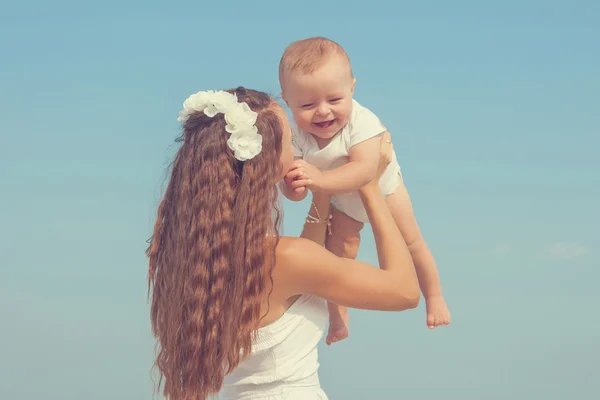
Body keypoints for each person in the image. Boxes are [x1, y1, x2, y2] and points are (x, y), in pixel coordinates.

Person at [146, 87, 420, 399]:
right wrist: (370, 185)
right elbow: (405, 291)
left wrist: (323, 190)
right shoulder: (284, 258)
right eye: (292, 137)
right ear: (270, 159)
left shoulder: (194, 261)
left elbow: (298, 276)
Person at [278, 37, 450, 344]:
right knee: (337, 253)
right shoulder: (298, 137)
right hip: (342, 201)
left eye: (334, 100)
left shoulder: (362, 122)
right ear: (288, 102)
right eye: (307, 104)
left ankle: (434, 295)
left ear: (352, 89)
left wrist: (318, 180)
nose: (322, 112)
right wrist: (294, 187)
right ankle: (337, 314)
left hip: (384, 190)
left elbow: (364, 170)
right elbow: (297, 191)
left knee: (411, 242)